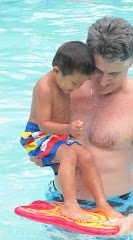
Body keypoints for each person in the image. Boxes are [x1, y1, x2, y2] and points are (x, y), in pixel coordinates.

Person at [31, 17, 133, 235]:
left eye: (114, 74)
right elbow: (38, 128)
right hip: (59, 200)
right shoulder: (68, 87)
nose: (103, 81)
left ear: (132, 62)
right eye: (97, 70)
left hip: (116, 207)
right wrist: (40, 153)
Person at [20, 41, 123, 223]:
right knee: (68, 155)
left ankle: (102, 204)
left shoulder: (66, 79)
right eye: (75, 83)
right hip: (37, 136)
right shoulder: (45, 87)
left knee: (85, 156)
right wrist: (68, 129)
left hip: (56, 136)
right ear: (57, 71)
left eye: (82, 83)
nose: (76, 88)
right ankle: (70, 205)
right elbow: (43, 125)